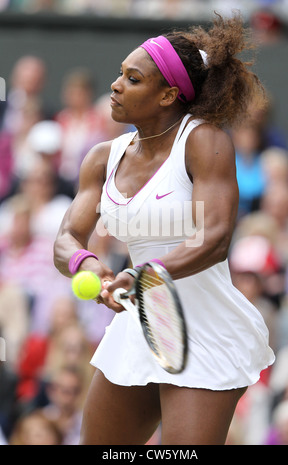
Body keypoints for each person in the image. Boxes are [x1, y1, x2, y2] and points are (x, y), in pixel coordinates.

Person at [54, 13, 275, 445]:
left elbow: (214, 240)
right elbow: (66, 240)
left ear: (168, 94)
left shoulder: (204, 141)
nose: (115, 85)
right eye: (120, 74)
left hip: (206, 330)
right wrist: (90, 264)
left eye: (132, 79)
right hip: (141, 322)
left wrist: (143, 275)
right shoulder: (102, 157)